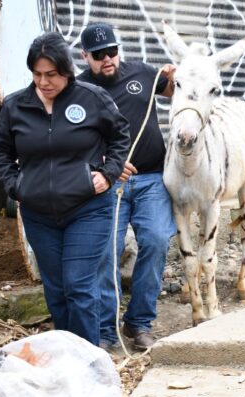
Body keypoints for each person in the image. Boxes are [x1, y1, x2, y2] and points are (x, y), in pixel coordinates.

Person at [0, 32, 131, 346]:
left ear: (66, 71)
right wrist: (15, 186)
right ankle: (67, 355)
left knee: (79, 285)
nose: (44, 82)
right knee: (56, 289)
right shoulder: (16, 106)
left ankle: (88, 360)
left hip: (88, 209)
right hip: (38, 215)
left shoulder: (92, 98)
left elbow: (121, 134)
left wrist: (108, 173)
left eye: (51, 74)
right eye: (37, 74)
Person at [77, 23, 176, 350]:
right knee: (106, 252)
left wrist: (178, 74)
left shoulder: (143, 74)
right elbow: (71, 142)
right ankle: (106, 330)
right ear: (85, 55)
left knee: (158, 240)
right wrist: (106, 162)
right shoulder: (78, 91)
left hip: (151, 179)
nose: (108, 59)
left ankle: (139, 322)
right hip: (109, 185)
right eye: (99, 55)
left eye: (113, 51)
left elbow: (179, 90)